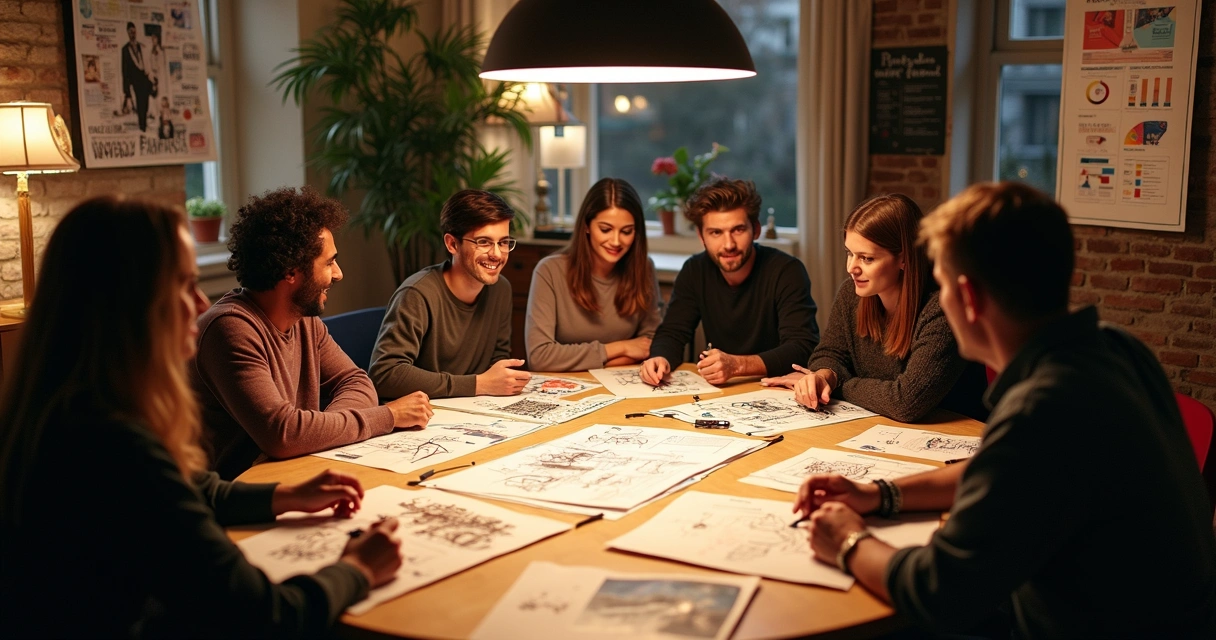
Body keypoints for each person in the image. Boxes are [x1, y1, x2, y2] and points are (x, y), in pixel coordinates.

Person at [795, 182, 1216, 637]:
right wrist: (880, 494)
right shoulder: (1117, 347)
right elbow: (995, 472)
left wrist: (848, 541)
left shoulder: (1042, 410)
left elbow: (940, 591)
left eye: (941, 283)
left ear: (968, 299)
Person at [0, 196, 403, 637]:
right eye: (183, 284)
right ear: (128, 304)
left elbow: (196, 490)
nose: (198, 304)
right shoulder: (118, 446)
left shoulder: (69, 413)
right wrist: (357, 569)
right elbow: (267, 615)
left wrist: (285, 496)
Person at [192, 186, 432, 480]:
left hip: (294, 476)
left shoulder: (304, 319)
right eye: (329, 262)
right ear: (291, 272)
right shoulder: (230, 328)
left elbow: (355, 381)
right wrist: (389, 415)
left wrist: (320, 431)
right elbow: (283, 434)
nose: (339, 273)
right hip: (237, 491)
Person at [761, 194, 987, 422]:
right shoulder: (852, 293)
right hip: (881, 426)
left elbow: (906, 403)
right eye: (849, 253)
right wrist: (823, 376)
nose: (851, 268)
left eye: (867, 258)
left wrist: (839, 383)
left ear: (904, 258)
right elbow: (830, 353)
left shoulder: (942, 308)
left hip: (955, 434)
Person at [641, 177, 819, 386]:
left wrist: (737, 365)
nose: (728, 244)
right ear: (701, 236)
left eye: (738, 230)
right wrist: (659, 358)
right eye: (716, 232)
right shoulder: (694, 270)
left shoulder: (787, 271)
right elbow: (673, 332)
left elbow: (802, 347)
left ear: (756, 230)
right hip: (723, 391)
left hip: (778, 386)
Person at [371, 189, 530, 398]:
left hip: (472, 408)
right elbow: (384, 375)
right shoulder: (417, 294)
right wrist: (477, 384)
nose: (497, 254)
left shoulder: (501, 289)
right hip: (425, 412)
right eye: (483, 242)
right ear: (452, 244)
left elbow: (496, 362)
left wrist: (500, 379)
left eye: (503, 242)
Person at [525, 178, 662, 371]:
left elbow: (651, 344)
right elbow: (540, 357)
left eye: (626, 231)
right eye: (605, 230)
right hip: (564, 385)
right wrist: (619, 348)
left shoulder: (644, 268)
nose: (616, 241)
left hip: (622, 382)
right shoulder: (549, 271)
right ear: (587, 226)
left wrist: (589, 362)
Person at [120, 21, 152, 132]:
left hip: (144, 79)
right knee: (139, 105)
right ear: (127, 33)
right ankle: (142, 127)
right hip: (135, 81)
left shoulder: (141, 46)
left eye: (134, 32)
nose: (133, 34)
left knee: (145, 104)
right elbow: (124, 70)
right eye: (130, 32)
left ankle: (144, 125)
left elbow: (147, 63)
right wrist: (127, 91)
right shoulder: (125, 49)